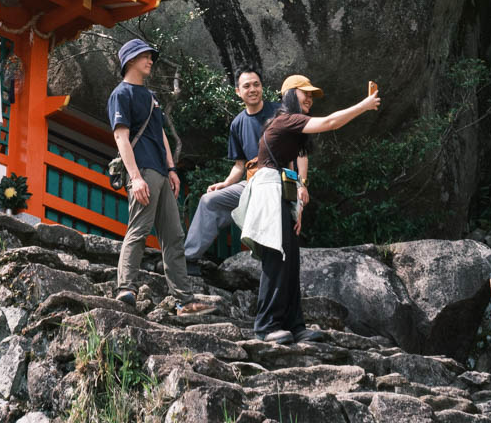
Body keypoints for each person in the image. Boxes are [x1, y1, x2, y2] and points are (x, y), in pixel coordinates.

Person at [233, 74, 380, 343]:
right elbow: (331, 122)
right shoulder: (285, 119)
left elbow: (290, 168)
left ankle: (294, 325)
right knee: (276, 260)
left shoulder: (290, 127)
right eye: (305, 93)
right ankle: (266, 326)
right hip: (267, 191)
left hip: (280, 192)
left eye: (312, 95)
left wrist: (296, 206)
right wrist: (364, 105)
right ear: (290, 95)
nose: (310, 99)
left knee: (290, 262)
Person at [107, 38, 218, 314]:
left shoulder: (152, 98)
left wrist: (172, 169)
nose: (150, 60)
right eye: (145, 56)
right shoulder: (121, 94)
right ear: (130, 60)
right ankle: (125, 288)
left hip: (160, 172)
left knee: (173, 235)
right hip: (142, 171)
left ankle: (184, 300)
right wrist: (135, 177)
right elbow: (121, 137)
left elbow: (162, 137)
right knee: (139, 228)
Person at [184, 70, 281, 261]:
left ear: (262, 87)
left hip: (276, 183)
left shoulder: (279, 112)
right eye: (247, 86)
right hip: (251, 183)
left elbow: (299, 150)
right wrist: (225, 183)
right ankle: (187, 259)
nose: (253, 89)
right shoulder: (238, 123)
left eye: (256, 84)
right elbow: (239, 165)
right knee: (209, 200)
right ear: (238, 91)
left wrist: (300, 183)